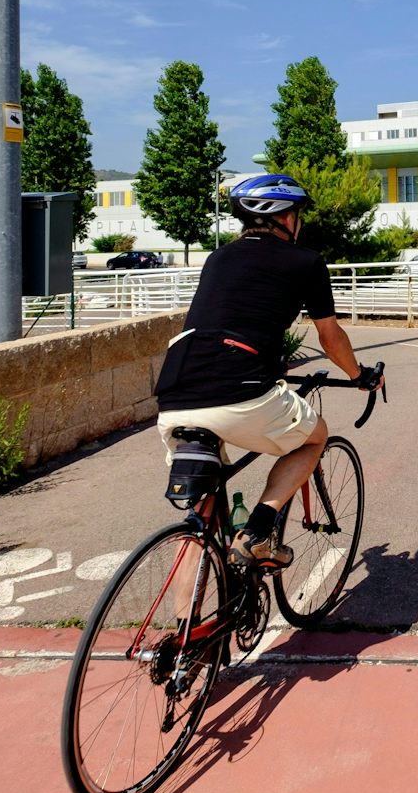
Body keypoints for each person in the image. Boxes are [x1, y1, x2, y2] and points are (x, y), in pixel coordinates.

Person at [151, 173, 383, 567]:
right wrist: (359, 375)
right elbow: (330, 338)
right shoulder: (305, 262)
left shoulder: (218, 257)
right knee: (314, 439)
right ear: (287, 218)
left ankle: (190, 627)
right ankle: (258, 532)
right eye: (298, 214)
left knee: (202, 513)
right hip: (241, 392)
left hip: (176, 393)